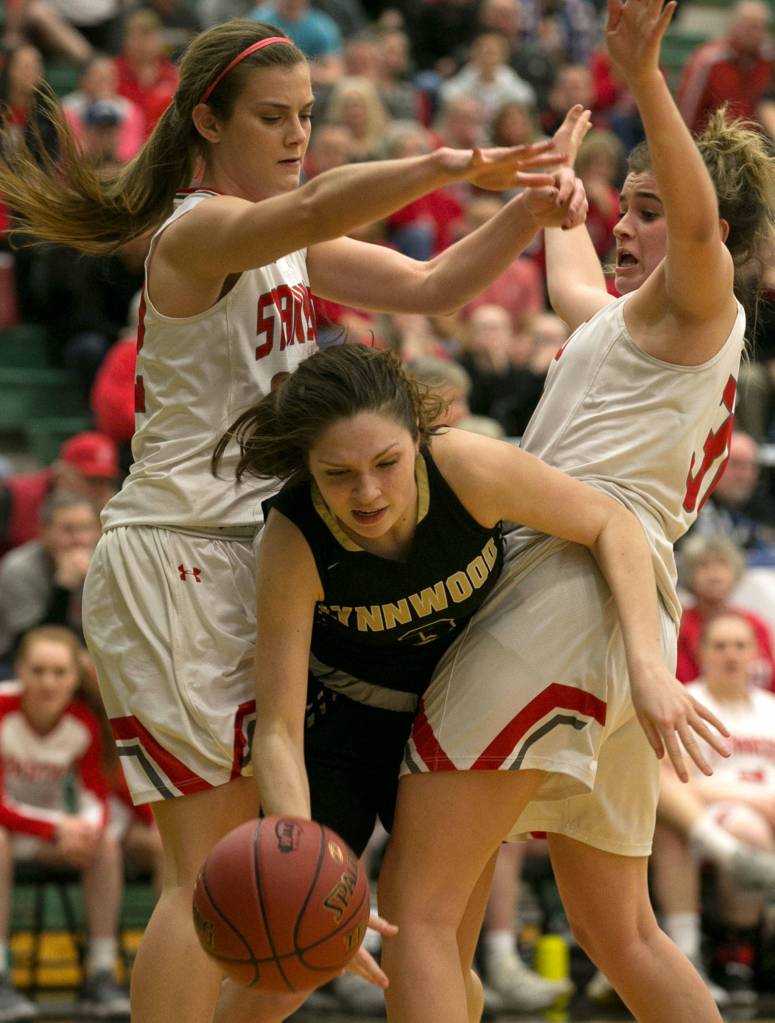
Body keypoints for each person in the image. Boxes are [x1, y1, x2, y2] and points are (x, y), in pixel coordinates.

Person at [0, 18, 588, 1023]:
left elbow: (434, 287)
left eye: (308, 116)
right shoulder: (197, 233)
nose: (297, 134)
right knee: (205, 871)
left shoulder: (287, 248)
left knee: (269, 868)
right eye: (272, 117)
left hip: (255, 555)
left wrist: (524, 213)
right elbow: (317, 201)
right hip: (178, 558)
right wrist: (450, 161)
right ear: (206, 122)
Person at [375, 3, 775, 1023]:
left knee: (419, 911)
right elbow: (571, 279)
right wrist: (558, 189)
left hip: (566, 591)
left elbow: (695, 229)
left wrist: (643, 77)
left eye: (645, 210)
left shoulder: (701, 305)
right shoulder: (631, 326)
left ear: (709, 234)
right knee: (619, 931)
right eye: (621, 209)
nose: (622, 227)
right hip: (624, 609)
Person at [219, 341, 725, 1023]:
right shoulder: (293, 541)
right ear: (307, 467)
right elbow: (278, 731)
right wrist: (302, 861)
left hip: (451, 713)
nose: (367, 492)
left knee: (437, 959)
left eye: (386, 463)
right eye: (338, 474)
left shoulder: (464, 466)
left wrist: (647, 665)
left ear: (417, 437)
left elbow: (611, 522)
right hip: (344, 730)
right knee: (291, 967)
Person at [0, 626, 129, 1019]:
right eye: (38, 671)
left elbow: (96, 795)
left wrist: (85, 831)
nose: (48, 682)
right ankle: (0, 976)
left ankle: (101, 975)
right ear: (19, 670)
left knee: (104, 845)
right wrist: (57, 828)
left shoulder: (82, 722)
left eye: (59, 673)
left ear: (75, 677)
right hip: (14, 832)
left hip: (44, 835)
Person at [653, 612, 775, 1008]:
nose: (731, 655)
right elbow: (670, 779)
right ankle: (733, 955)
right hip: (713, 812)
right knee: (744, 830)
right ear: (701, 652)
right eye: (720, 646)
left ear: (755, 653)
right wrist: (752, 800)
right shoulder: (686, 702)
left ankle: (743, 950)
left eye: (740, 646)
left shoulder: (769, 707)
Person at [0, 493, 101, 668]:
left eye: (86, 528)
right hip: (21, 663)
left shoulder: (105, 565)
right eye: (68, 530)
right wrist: (64, 586)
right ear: (44, 531)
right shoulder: (19, 568)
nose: (79, 539)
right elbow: (32, 643)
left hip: (87, 661)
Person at [676, 533, 775, 690]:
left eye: (722, 564)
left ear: (735, 571)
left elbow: (770, 683)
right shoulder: (679, 626)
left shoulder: (755, 624)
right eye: (703, 566)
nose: (714, 574)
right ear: (689, 574)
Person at [677, 0, 774, 135]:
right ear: (733, 25)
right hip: (712, 141)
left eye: (760, 27)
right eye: (749, 26)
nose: (755, 33)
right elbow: (688, 110)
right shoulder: (708, 60)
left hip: (755, 142)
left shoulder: (768, 60)